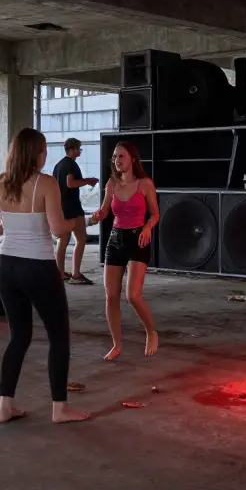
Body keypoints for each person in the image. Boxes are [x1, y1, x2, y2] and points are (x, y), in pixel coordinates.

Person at [0, 127, 89, 425]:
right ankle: (60, 408)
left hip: (7, 266)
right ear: (36, 153)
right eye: (44, 150)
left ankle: (5, 406)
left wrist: (14, 226)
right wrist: (76, 223)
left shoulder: (1, 182)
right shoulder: (46, 183)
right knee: (59, 336)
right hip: (38, 266)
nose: (45, 155)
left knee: (19, 336)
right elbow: (57, 229)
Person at [88, 142, 160, 361]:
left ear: (132, 159)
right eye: (114, 157)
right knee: (111, 296)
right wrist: (97, 216)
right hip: (115, 239)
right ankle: (116, 344)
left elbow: (155, 214)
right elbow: (104, 210)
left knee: (132, 295)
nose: (117, 160)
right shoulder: (112, 184)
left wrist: (147, 227)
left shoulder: (145, 184)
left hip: (138, 238)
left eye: (121, 156)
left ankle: (151, 332)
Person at [52, 138, 98, 285]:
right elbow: (70, 183)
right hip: (73, 207)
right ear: (72, 149)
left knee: (63, 241)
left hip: (61, 207)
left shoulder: (58, 165)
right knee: (81, 239)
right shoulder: (71, 164)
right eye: (78, 149)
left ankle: (59, 272)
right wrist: (88, 181)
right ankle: (76, 274)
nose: (80, 151)